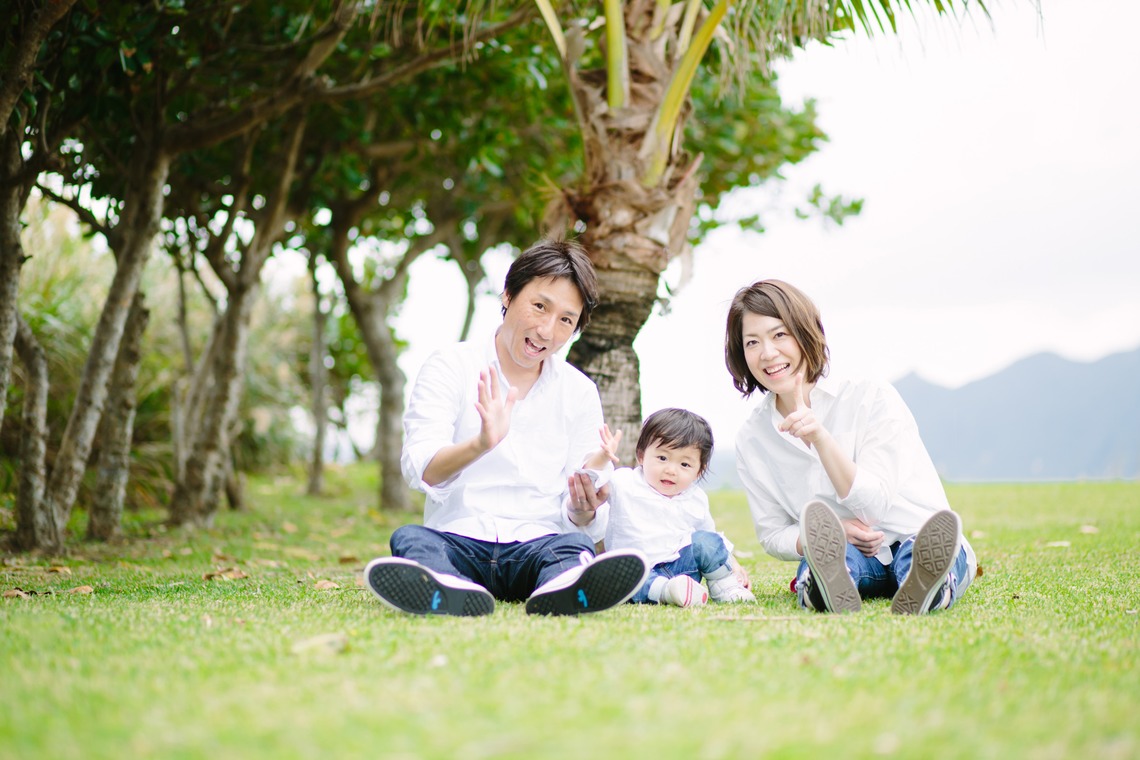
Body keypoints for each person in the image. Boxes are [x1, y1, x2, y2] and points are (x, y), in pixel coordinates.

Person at [364, 239, 649, 617]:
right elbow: (421, 467)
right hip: (459, 537)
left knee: (571, 550)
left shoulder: (579, 390)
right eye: (539, 306)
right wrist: (480, 444)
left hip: (538, 542)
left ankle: (563, 588)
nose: (547, 330)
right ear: (508, 294)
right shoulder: (451, 365)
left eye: (566, 319)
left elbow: (581, 516)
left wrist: (584, 510)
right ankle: (451, 587)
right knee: (411, 539)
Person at [725, 279, 976, 614]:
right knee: (830, 560)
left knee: (918, 555)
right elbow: (772, 534)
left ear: (805, 332)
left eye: (779, 335)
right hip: (848, 554)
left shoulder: (870, 397)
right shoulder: (753, 437)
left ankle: (931, 585)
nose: (768, 353)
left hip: (912, 535)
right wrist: (819, 535)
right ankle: (821, 589)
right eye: (752, 342)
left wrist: (821, 438)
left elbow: (873, 506)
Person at [581, 408, 755, 608]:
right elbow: (592, 480)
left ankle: (724, 587)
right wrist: (603, 457)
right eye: (662, 458)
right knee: (618, 575)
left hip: (683, 566)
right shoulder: (624, 482)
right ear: (641, 455)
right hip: (638, 570)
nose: (671, 470)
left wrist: (732, 565)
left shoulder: (695, 497)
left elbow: (710, 537)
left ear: (699, 471)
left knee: (705, 541)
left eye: (684, 464)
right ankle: (669, 592)